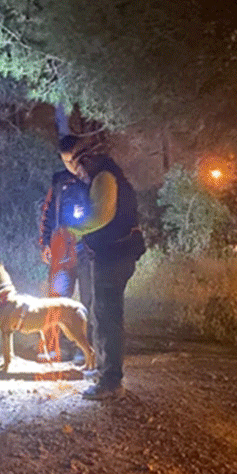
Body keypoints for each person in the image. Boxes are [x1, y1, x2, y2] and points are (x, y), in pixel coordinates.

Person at [59, 134, 146, 400]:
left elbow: (101, 216)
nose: (72, 169)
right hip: (111, 252)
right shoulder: (100, 175)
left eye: (72, 163)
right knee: (101, 311)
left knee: (107, 315)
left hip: (115, 253)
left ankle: (111, 381)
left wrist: (72, 230)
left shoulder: (103, 177)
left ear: (81, 159)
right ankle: (104, 371)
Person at [36, 166, 91, 363]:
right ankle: (54, 347)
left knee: (89, 301)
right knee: (57, 299)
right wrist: (44, 242)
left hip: (87, 251)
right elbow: (47, 213)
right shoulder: (59, 183)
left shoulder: (94, 179)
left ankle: (84, 347)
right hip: (62, 250)